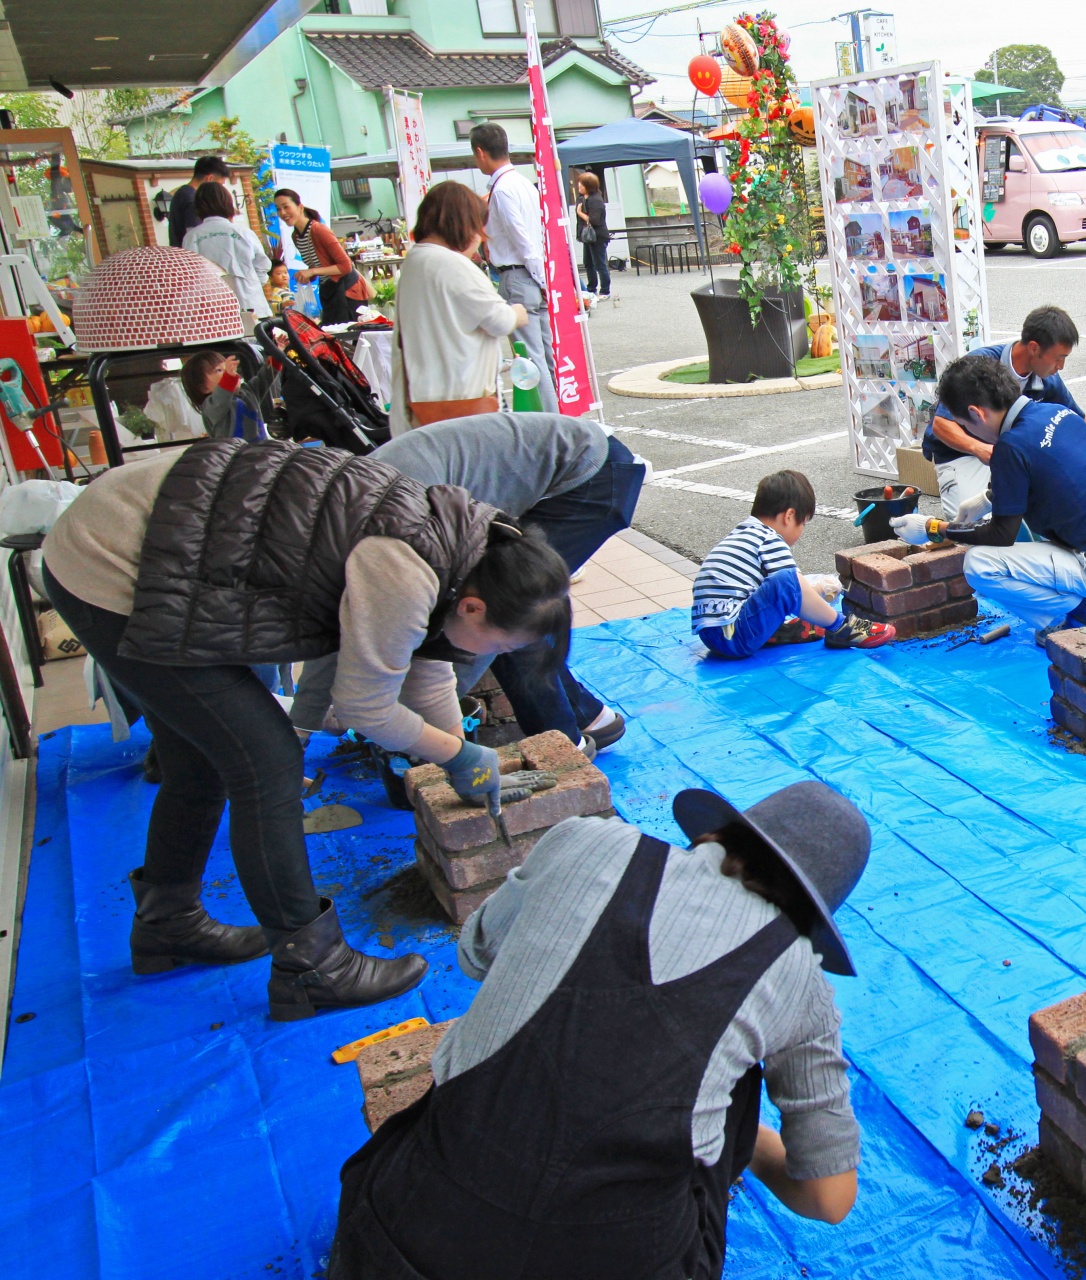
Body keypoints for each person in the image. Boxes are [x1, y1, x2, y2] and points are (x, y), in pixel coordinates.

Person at [41, 437, 575, 1021]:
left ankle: (168, 926)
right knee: (266, 761)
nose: (497, 657)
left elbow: (423, 662)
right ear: (473, 608)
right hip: (114, 564)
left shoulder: (472, 552)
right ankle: (314, 969)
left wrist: (458, 755)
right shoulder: (405, 568)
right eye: (503, 646)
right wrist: (454, 753)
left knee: (198, 757)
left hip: (167, 542)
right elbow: (364, 709)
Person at [328, 780, 868, 1279]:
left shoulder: (584, 840)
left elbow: (475, 954)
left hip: (392, 1237)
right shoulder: (797, 977)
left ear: (722, 832)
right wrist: (738, 1140)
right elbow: (829, 1198)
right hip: (625, 1261)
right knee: (738, 1067)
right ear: (812, 915)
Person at [292, 413, 643, 756]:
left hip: (591, 475)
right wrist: (311, 722)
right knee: (503, 622)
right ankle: (590, 719)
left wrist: (429, 738)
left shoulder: (397, 545)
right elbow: (348, 638)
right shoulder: (387, 552)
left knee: (515, 616)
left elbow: (427, 664)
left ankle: (564, 748)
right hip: (578, 464)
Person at [894, 356, 1086, 638]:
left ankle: (1076, 616)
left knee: (979, 563)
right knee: (1029, 526)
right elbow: (1047, 476)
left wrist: (932, 528)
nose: (969, 431)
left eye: (963, 424)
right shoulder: (1055, 412)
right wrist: (985, 500)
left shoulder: (1011, 447)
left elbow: (1001, 534)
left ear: (977, 413)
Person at [924, 305, 1086, 517]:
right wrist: (980, 448)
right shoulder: (979, 367)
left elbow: (1080, 421)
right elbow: (941, 425)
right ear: (1034, 348)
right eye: (1059, 358)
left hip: (1009, 453)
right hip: (962, 453)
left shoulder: (1047, 380)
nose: (1061, 367)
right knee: (973, 523)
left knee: (1052, 506)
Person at [692, 470, 894, 657]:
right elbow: (792, 587)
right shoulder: (768, 538)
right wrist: (819, 589)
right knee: (787, 580)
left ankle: (776, 630)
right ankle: (843, 628)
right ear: (789, 516)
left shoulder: (743, 533)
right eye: (803, 523)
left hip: (712, 635)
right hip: (733, 633)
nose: (801, 531)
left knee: (783, 583)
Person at [386, 181, 527, 435]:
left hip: (421, 402)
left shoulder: (416, 260)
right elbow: (499, 320)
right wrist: (517, 313)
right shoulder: (450, 264)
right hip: (462, 402)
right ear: (464, 224)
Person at [471, 122, 558, 413]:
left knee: (532, 361)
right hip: (535, 276)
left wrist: (540, 279)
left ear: (480, 153)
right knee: (547, 356)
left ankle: (553, 423)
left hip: (519, 276)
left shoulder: (503, 189)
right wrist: (546, 281)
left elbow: (523, 241)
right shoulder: (524, 184)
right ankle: (560, 418)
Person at [274, 188, 373, 325]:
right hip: (329, 289)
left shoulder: (319, 230)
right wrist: (309, 275)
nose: (282, 213)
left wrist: (313, 271)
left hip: (347, 290)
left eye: (286, 207)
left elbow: (345, 266)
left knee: (349, 336)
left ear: (300, 207)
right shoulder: (296, 236)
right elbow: (318, 263)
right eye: (278, 209)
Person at [181, 180, 272, 328]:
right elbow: (262, 265)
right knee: (257, 348)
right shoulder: (243, 233)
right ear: (228, 203)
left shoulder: (192, 237)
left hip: (214, 310)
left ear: (198, 207)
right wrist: (252, 283)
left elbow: (190, 274)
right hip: (251, 304)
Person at [168, 155, 229, 248]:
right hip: (192, 257)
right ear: (210, 179)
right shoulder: (192, 199)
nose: (220, 189)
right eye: (220, 184)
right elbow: (197, 237)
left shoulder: (183, 193)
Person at [574, 171, 611, 299]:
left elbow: (595, 220)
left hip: (598, 235)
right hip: (588, 236)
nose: (579, 186)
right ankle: (591, 289)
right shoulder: (582, 198)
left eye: (581, 184)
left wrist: (580, 213)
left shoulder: (596, 199)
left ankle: (605, 290)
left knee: (599, 263)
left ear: (588, 186)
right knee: (588, 263)